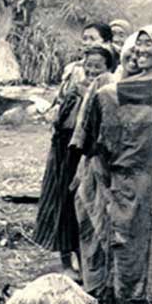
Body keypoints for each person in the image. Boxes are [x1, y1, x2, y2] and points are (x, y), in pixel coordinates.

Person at [74, 25, 152, 304]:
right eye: (139, 44)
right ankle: (131, 291)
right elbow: (105, 116)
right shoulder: (114, 91)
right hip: (131, 171)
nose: (141, 50)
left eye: (149, 44)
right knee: (129, 228)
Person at [34, 44, 117, 280]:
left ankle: (89, 265)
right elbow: (60, 123)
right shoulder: (74, 91)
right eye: (88, 65)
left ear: (109, 68)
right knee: (63, 205)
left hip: (91, 156)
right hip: (66, 156)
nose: (91, 71)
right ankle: (66, 264)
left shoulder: (109, 92)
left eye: (97, 66)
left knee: (88, 208)